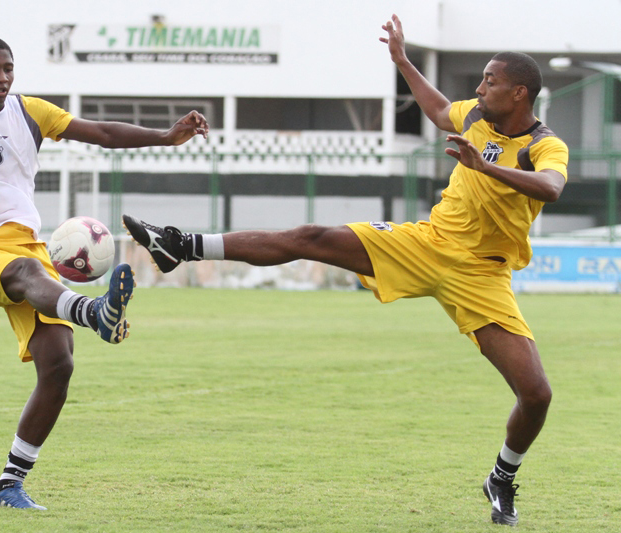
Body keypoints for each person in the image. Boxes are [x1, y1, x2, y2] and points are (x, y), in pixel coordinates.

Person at [122, 14, 567, 527]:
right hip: (428, 243)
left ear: (519, 93)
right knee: (311, 237)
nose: (479, 86)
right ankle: (182, 245)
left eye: (489, 80)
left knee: (537, 394)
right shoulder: (474, 117)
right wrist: (402, 61)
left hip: (483, 275)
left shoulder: (544, 144)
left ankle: (502, 477)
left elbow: (552, 187)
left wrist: (485, 167)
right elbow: (441, 109)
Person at [0, 34, 208, 510]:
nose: (3, 77)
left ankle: (8, 485)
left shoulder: (30, 111)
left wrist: (165, 137)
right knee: (30, 269)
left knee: (59, 364)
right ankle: (94, 314)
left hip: (27, 246)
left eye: (8, 67)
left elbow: (104, 133)